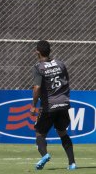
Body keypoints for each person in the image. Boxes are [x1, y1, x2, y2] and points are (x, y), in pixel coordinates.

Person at [30, 40, 76, 170]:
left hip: (49, 105)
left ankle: (44, 155)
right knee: (63, 133)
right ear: (50, 51)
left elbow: (37, 88)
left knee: (39, 133)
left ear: (37, 52)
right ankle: (72, 163)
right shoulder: (61, 64)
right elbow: (66, 81)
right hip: (63, 104)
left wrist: (33, 105)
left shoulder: (38, 67)